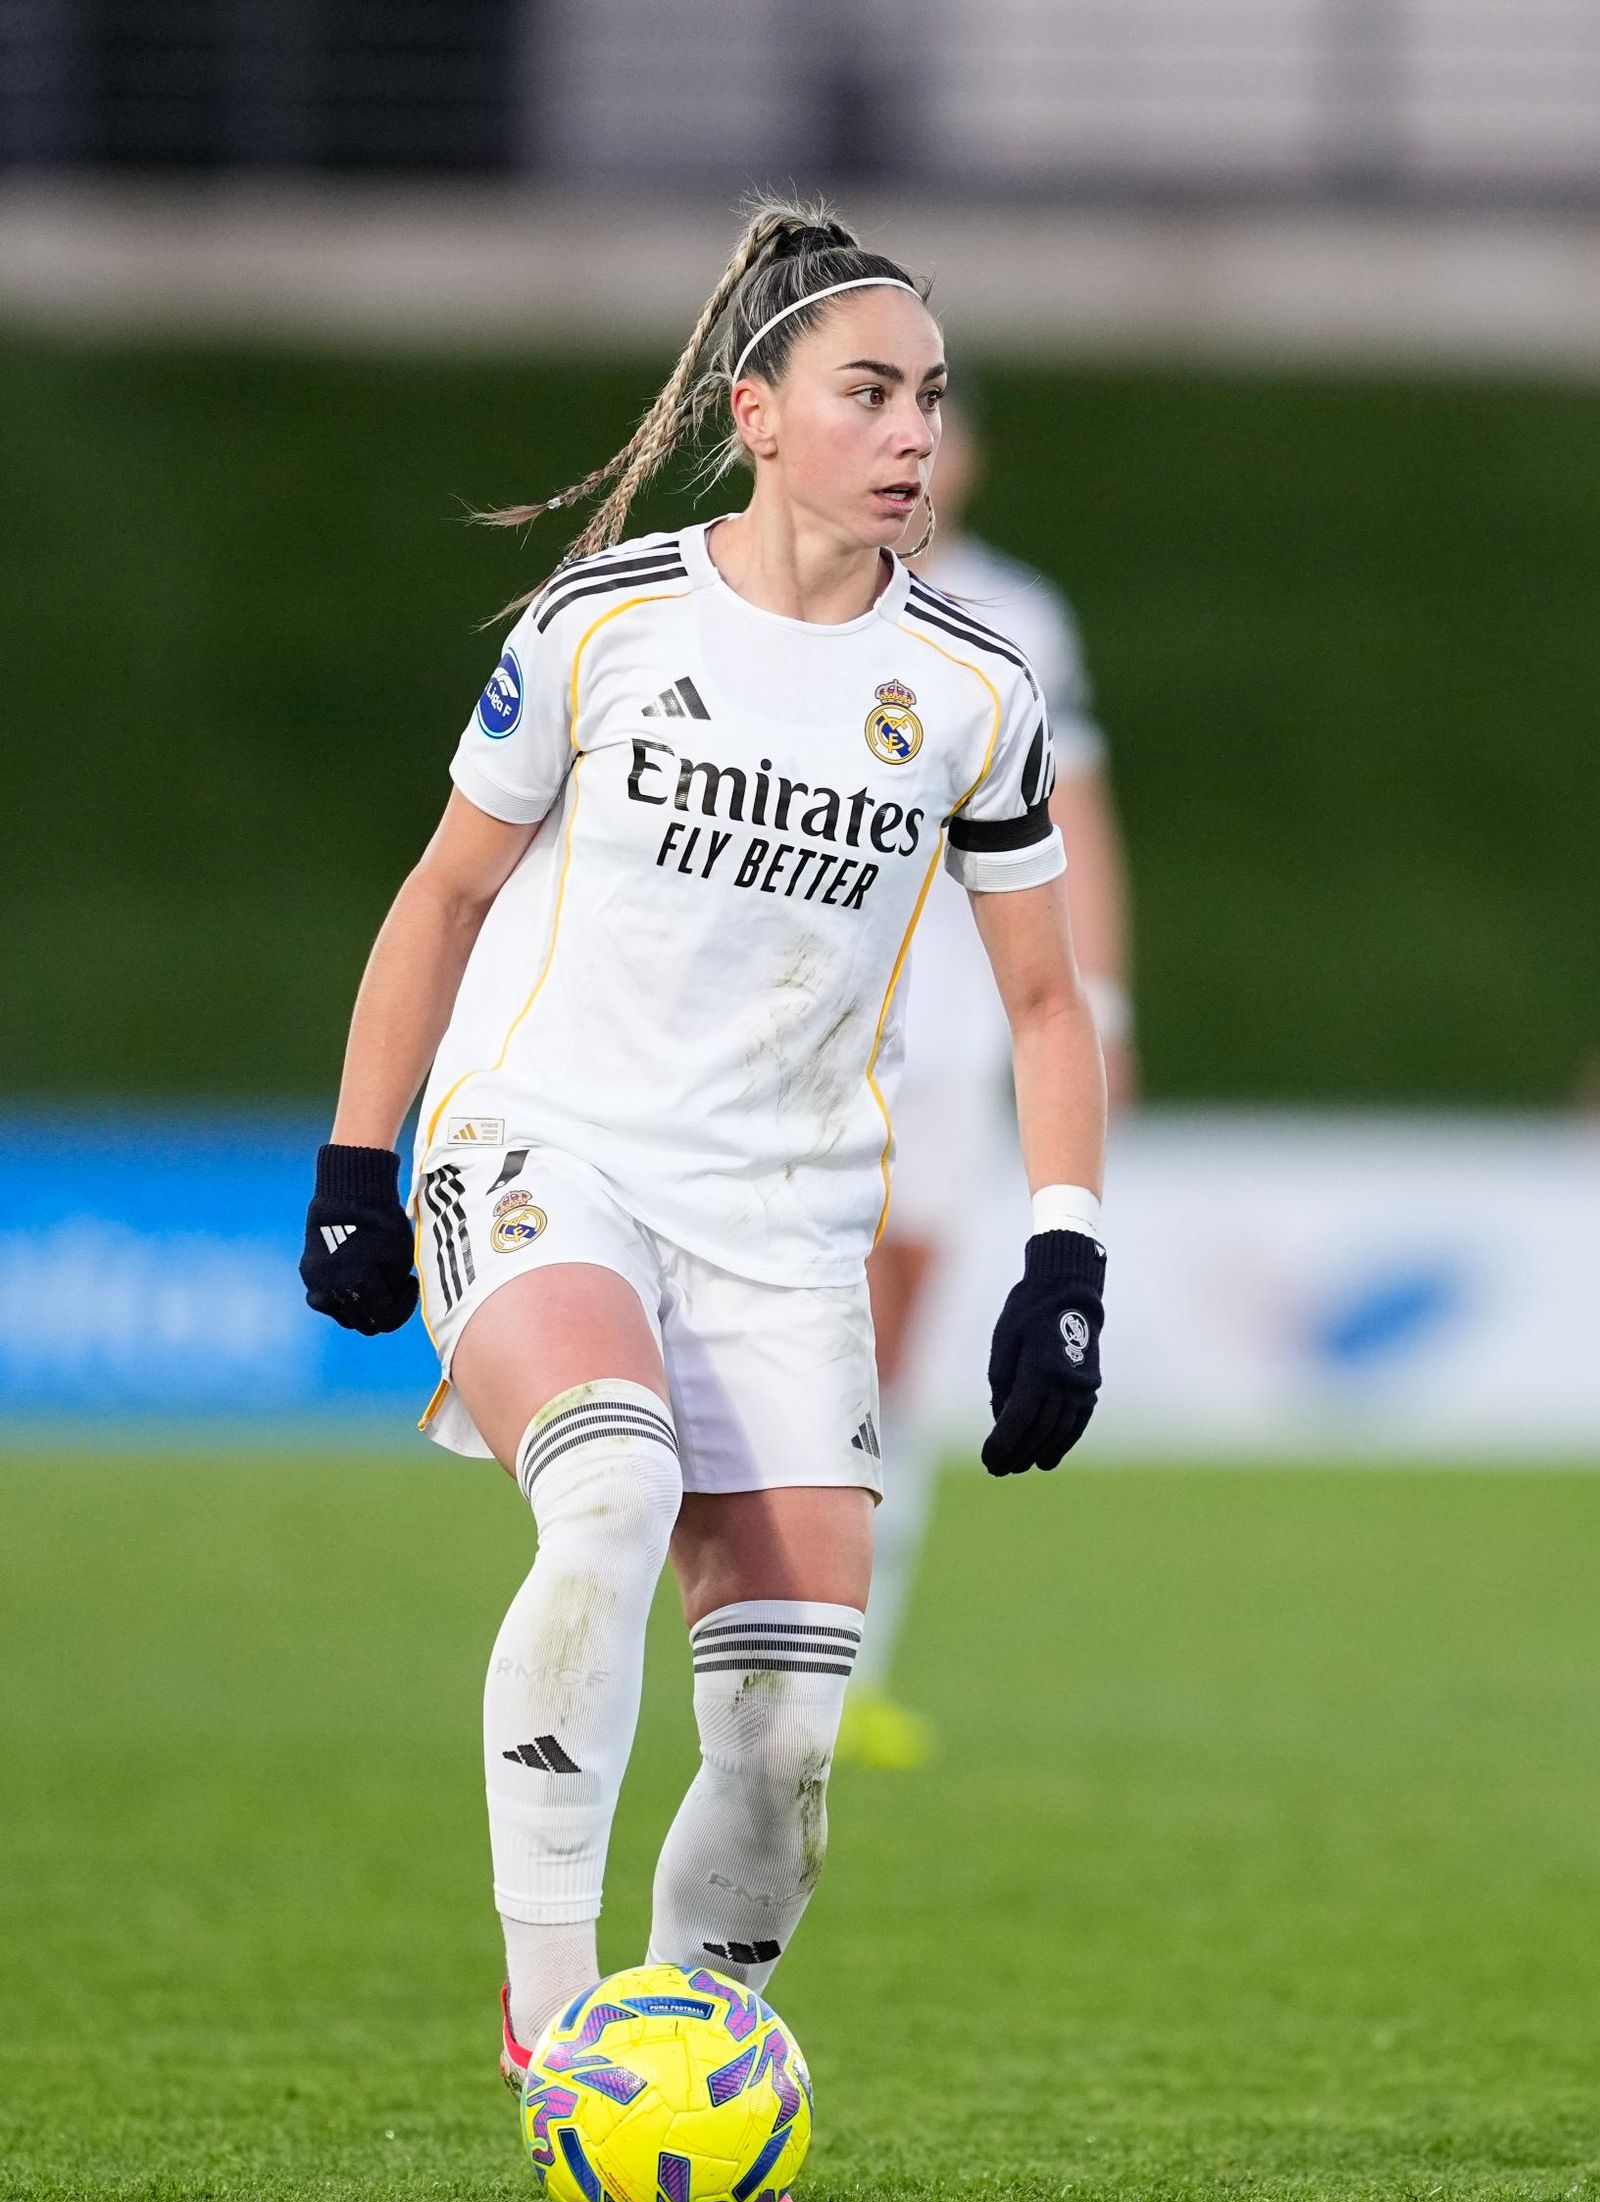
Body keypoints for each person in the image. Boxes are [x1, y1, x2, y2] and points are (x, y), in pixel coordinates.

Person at [298, 198, 1108, 2094]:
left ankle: (683, 2064)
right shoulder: (604, 623)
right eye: (869, 393)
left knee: (782, 1740)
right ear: (756, 411)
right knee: (608, 1493)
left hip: (785, 1215)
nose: (914, 431)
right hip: (548, 1140)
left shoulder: (977, 691)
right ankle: (555, 2019)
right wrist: (357, 1160)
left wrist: (1063, 1254)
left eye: (930, 395)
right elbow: (442, 893)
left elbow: (1051, 1005)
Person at [841, 393, 1136, 1769]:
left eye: (937, 415)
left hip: (953, 1029)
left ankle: (840, 1659)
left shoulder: (1016, 615)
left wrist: (1101, 1006)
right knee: (806, 1328)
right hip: (810, 1025)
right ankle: (774, 1627)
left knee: (892, 1346)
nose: (918, 445)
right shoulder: (777, 598)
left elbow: (1077, 814)